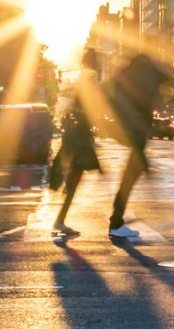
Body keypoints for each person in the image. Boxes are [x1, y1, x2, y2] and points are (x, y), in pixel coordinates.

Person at [107, 53, 167, 238]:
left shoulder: (128, 76)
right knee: (130, 177)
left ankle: (117, 219)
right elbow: (163, 81)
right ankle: (116, 221)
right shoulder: (142, 79)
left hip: (133, 131)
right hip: (136, 132)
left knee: (130, 175)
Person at [52, 49, 102, 236]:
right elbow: (88, 108)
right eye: (95, 60)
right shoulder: (88, 81)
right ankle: (59, 221)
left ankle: (60, 220)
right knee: (74, 180)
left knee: (73, 179)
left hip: (78, 137)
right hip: (79, 139)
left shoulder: (85, 79)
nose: (97, 63)